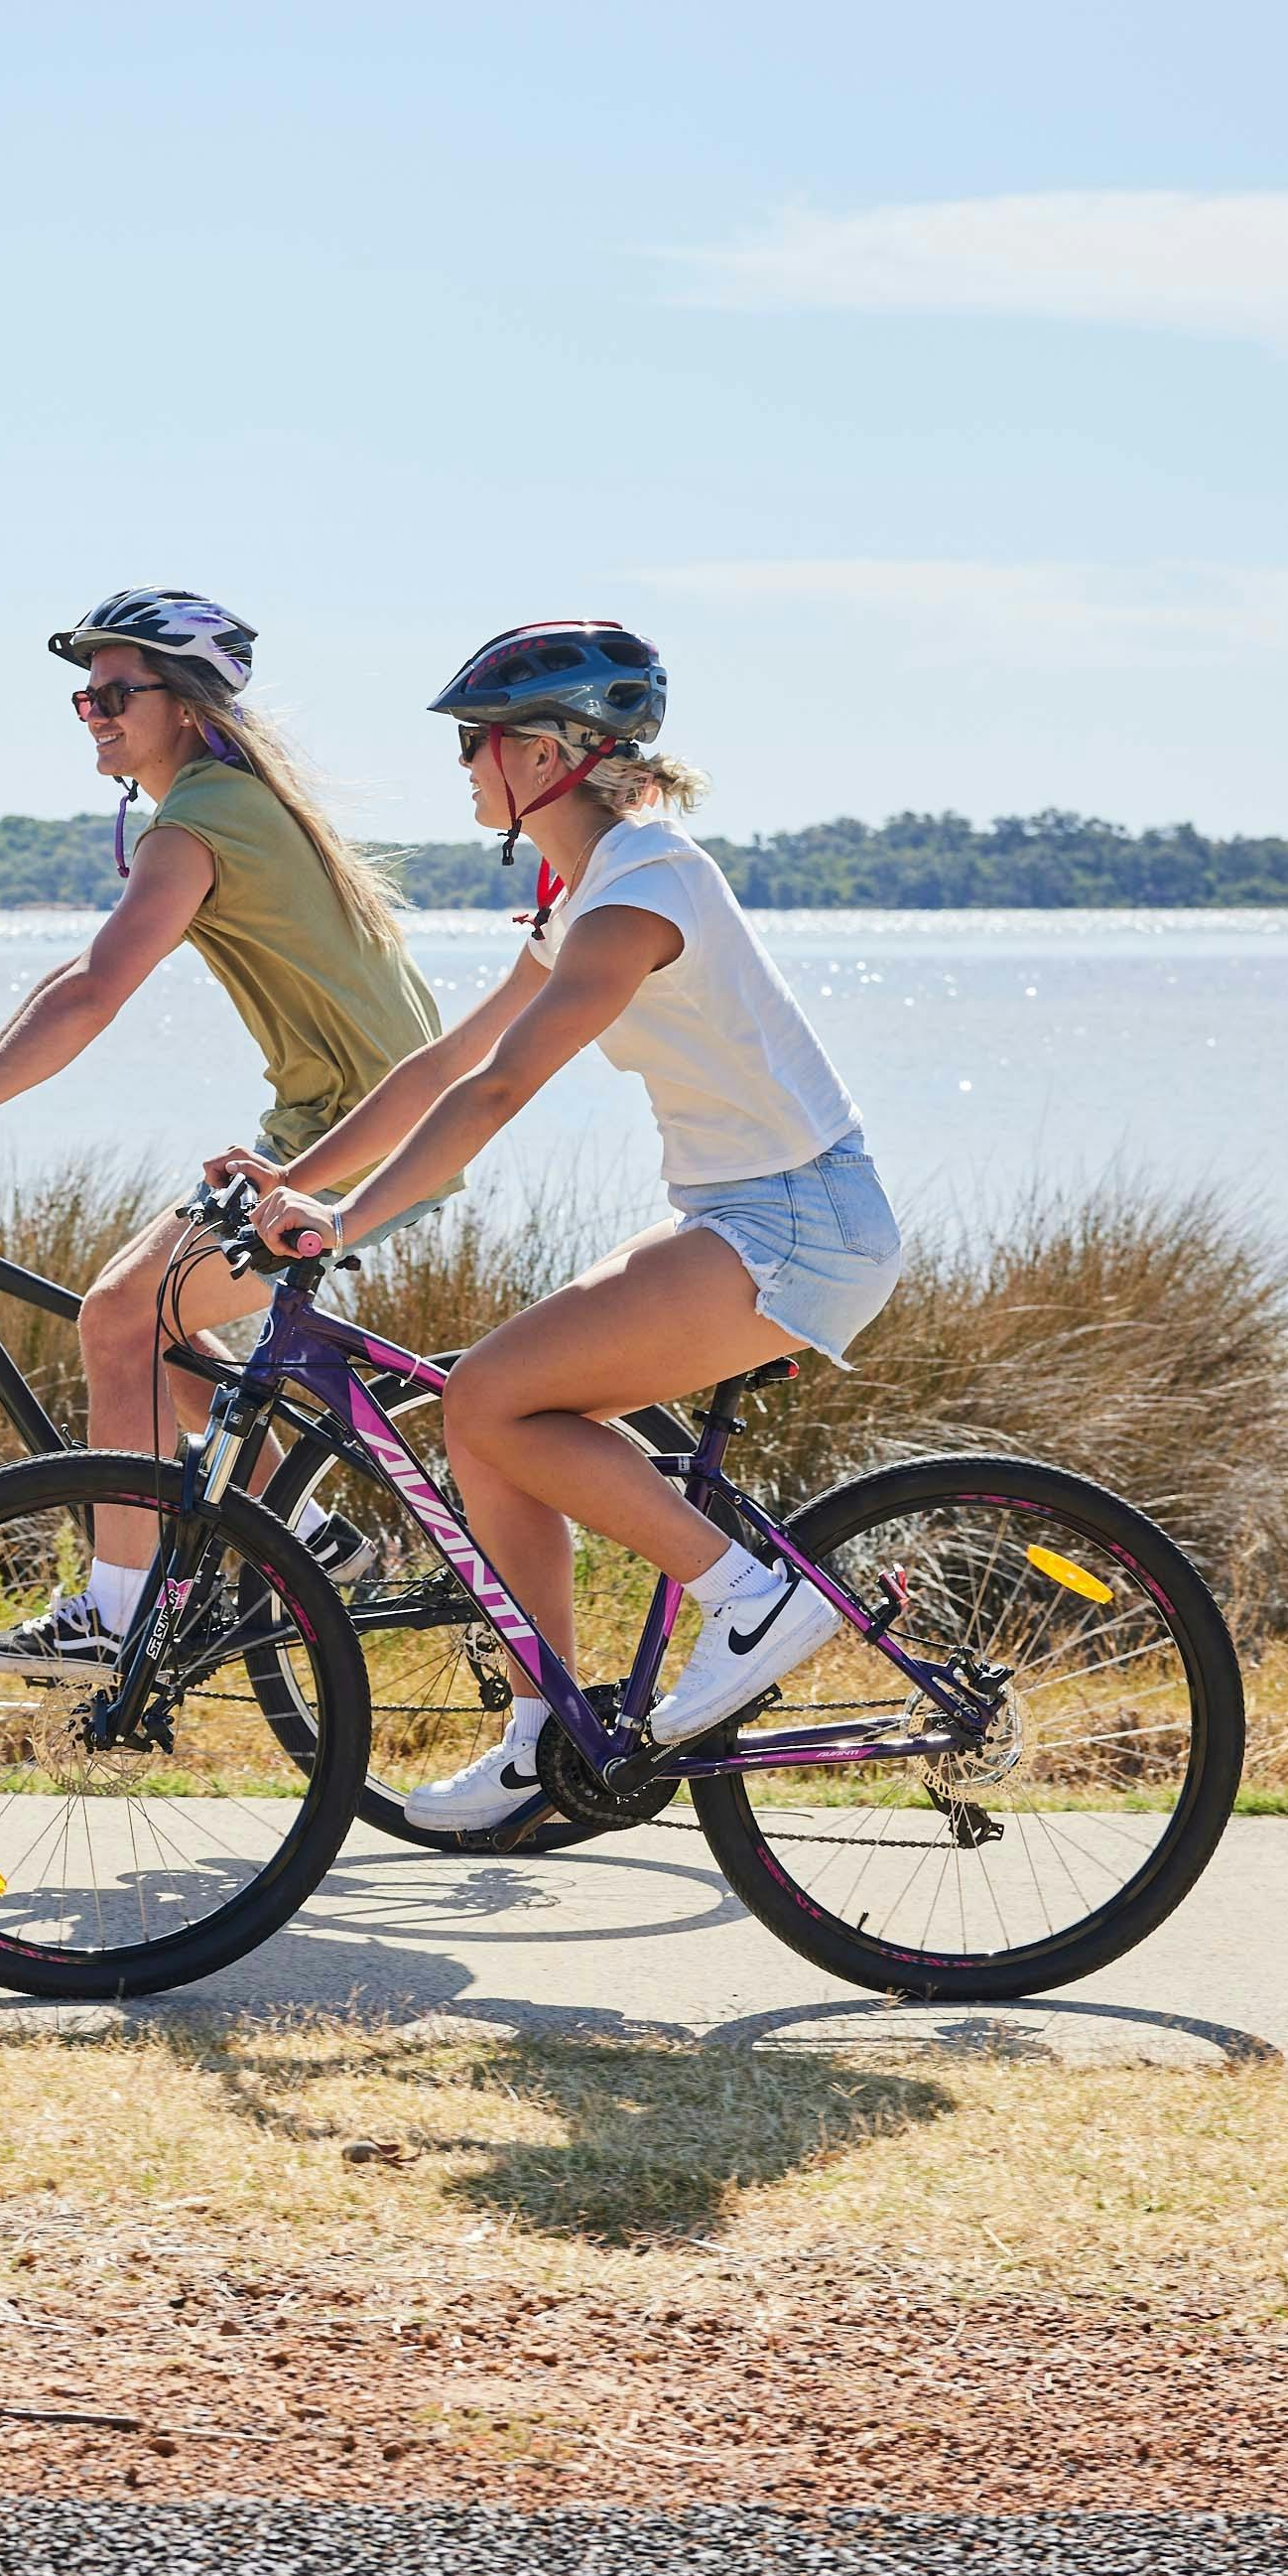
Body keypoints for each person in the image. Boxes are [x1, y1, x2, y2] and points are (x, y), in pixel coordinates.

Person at [218, 619, 901, 1831]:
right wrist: (300, 1178)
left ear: (551, 754)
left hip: (797, 1220)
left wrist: (345, 1222)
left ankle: (748, 1596)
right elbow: (444, 1057)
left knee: (488, 1394)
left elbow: (497, 1090)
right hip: (742, 1212)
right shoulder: (584, 889)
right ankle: (542, 1732)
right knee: (484, 1419)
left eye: (477, 741)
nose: (465, 765)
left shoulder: (646, 884)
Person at [0, 589, 442, 1677]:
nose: (91, 710)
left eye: (113, 691)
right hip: (351, 1119)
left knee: (120, 1315)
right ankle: (298, 1526)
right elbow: (73, 974)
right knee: (158, 1317)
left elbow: (93, 991)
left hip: (361, 1130)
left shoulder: (205, 817)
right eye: (81, 695)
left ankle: (115, 1605)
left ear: (180, 703)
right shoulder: (220, 804)